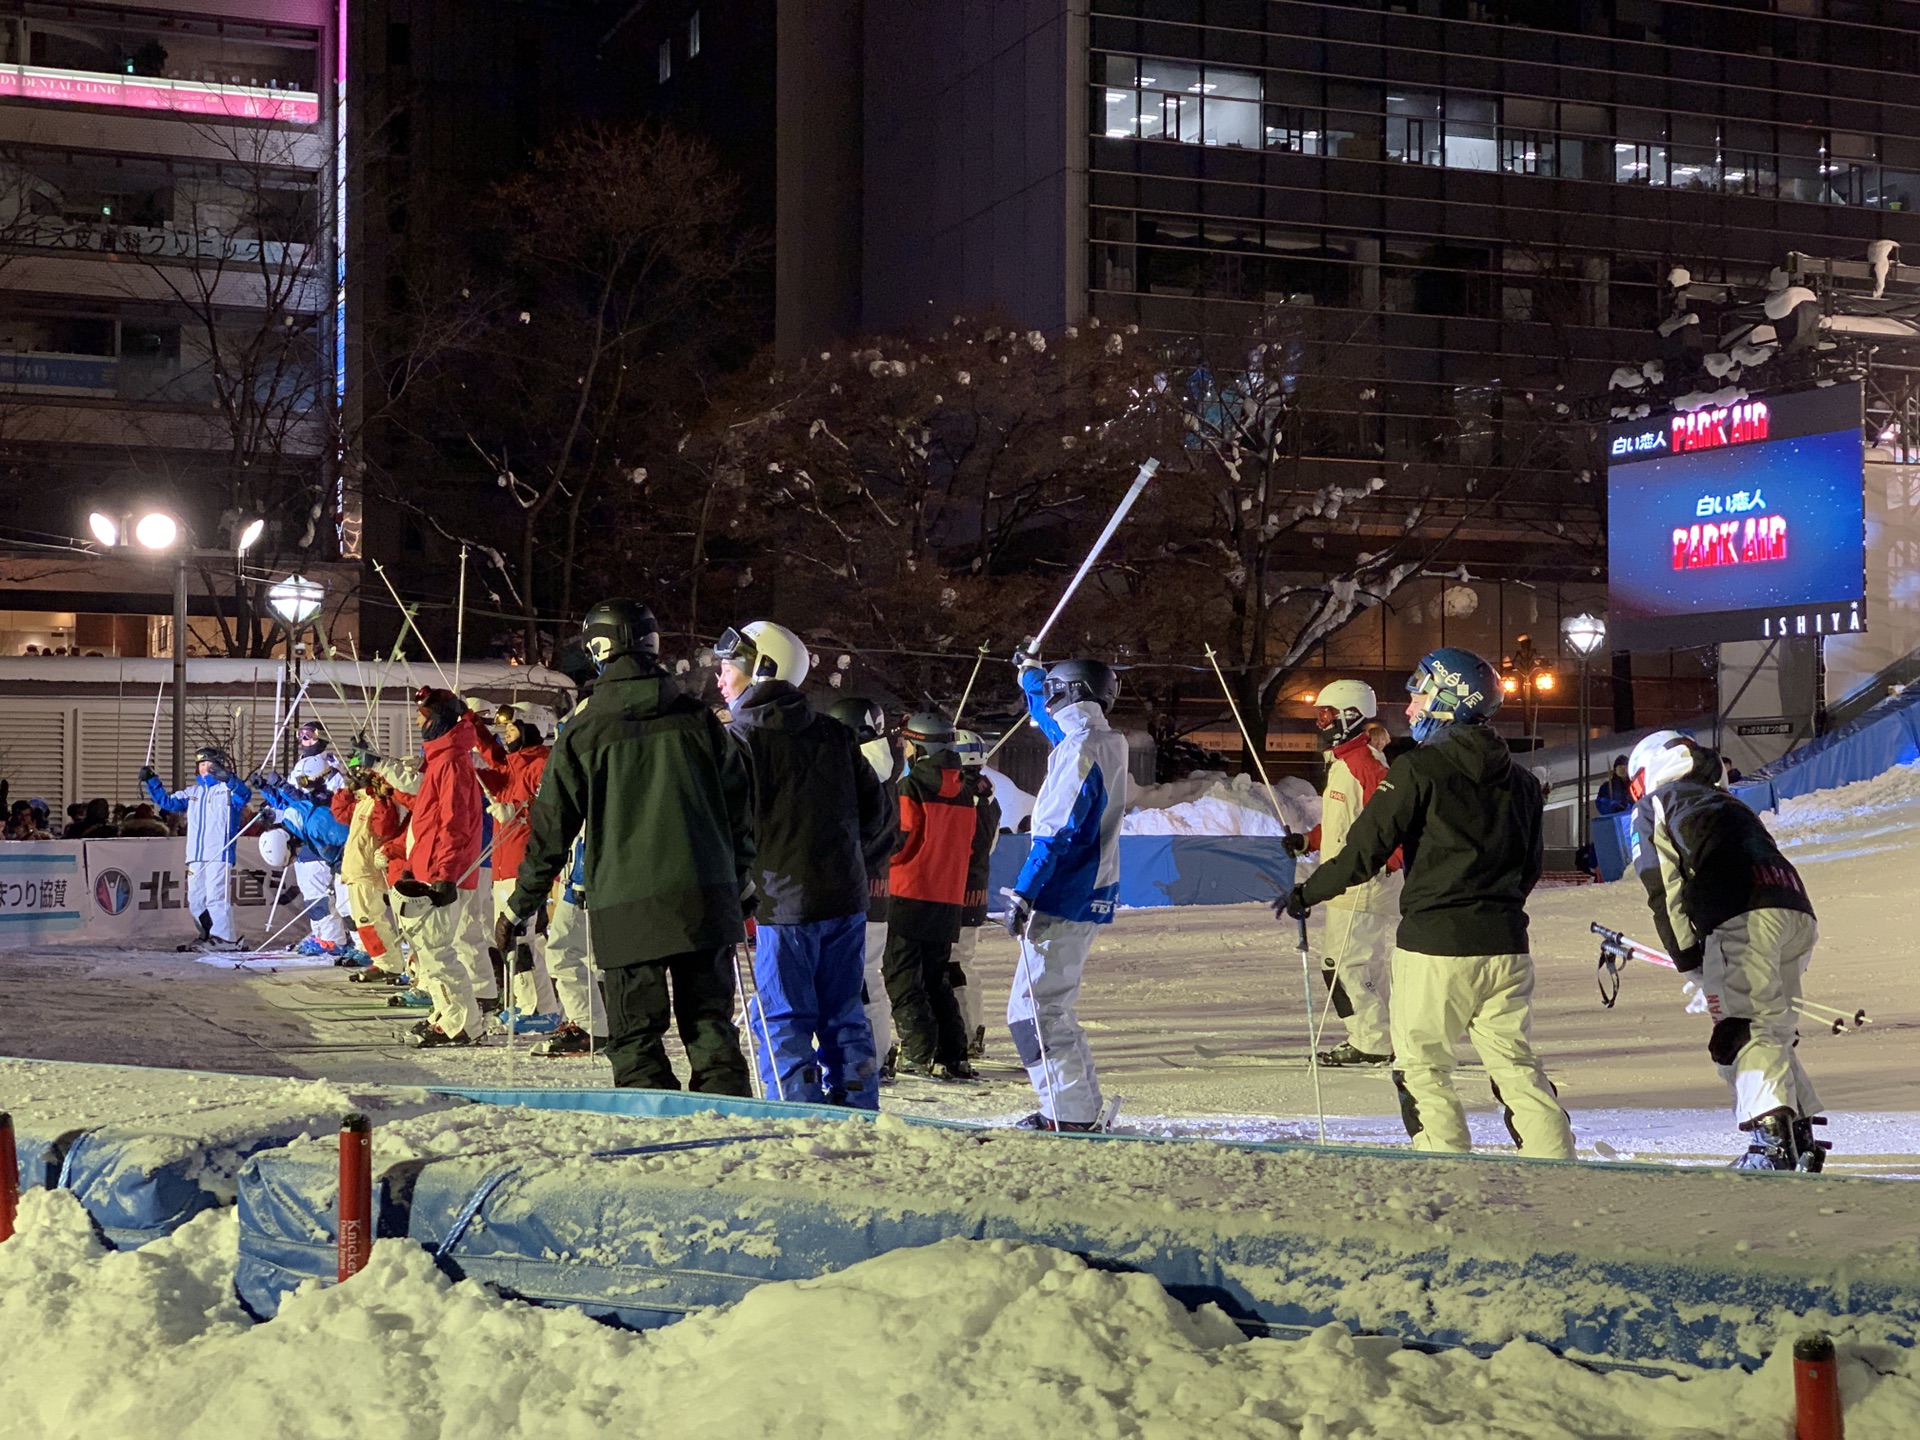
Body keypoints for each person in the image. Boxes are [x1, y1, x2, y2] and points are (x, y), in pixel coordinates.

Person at [1282, 647, 1575, 1161]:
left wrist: (1307, 892)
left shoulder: (1418, 768)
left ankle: (1445, 1167)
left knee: (1421, 1066)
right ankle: (1554, 1160)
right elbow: (1530, 868)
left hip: (1435, 946)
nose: (1410, 707)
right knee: (1514, 1063)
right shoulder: (1524, 781)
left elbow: (1363, 851)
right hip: (1506, 945)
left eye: (1419, 693)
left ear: (1448, 699)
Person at [500, 600, 754, 1091]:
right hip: (704, 895)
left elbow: (550, 829)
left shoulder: (584, 733)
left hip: (625, 904)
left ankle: (654, 1147)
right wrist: (740, 878)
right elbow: (740, 809)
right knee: (712, 1032)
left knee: (636, 1040)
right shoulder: (699, 721)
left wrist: (520, 905)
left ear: (599, 649)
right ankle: (728, 1137)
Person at [1626, 730, 1828, 1171]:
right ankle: (1801, 1135)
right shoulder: (1728, 802)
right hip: (1794, 906)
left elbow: (1664, 888)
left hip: (1742, 911)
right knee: (1772, 1026)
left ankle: (1770, 1144)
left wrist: (1690, 961)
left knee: (1742, 1028)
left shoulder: (1658, 804)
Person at [716, 619, 891, 1108]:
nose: (720, 677)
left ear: (762, 670)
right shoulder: (836, 734)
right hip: (845, 899)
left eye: (729, 666)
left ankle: (798, 1115)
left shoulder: (740, 740)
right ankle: (859, 1103)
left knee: (783, 1016)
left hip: (783, 903)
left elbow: (726, 825)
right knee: (843, 1012)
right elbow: (876, 814)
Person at [1003, 652, 1128, 1133]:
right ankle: (1076, 1108)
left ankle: (1068, 1115)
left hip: (1066, 891)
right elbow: (1055, 726)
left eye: (1055, 691)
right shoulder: (1101, 740)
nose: (1047, 703)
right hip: (1087, 889)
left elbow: (1055, 832)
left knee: (1035, 1013)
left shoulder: (1080, 751)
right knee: (1046, 1007)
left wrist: (1025, 892)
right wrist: (1033, 679)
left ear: (1073, 694)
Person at [1285, 680, 1401, 1067]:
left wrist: (1391, 860)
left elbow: (1389, 820)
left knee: (1345, 965)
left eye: (1326, 715)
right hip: (1344, 881)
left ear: (1351, 715)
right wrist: (1310, 841)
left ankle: (1372, 1040)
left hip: (1363, 883)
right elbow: (1346, 822)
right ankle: (1381, 1035)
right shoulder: (1342, 762)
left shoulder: (1366, 764)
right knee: (1355, 963)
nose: (1320, 724)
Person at [884, 710, 988, 1080]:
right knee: (936, 979)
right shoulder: (964, 793)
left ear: (919, 747)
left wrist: (883, 859)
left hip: (910, 893)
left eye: (908, 744)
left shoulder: (910, 788)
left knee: (902, 978)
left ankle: (919, 1051)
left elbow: (902, 841)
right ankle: (953, 1054)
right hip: (947, 900)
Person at [390, 688, 489, 1047]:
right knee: (429, 951)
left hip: (445, 872)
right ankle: (447, 1013)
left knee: (438, 950)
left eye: (424, 715)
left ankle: (462, 1022)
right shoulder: (440, 760)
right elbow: (426, 819)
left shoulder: (451, 762)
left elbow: (454, 822)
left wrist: (444, 874)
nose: (418, 722)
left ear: (441, 719)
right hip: (430, 868)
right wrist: (409, 860)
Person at [826, 696, 901, 1077]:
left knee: (863, 979)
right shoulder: (882, 765)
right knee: (866, 976)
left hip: (862, 888)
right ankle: (877, 1050)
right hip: (874, 887)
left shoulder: (866, 768)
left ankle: (876, 1052)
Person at [477, 703, 562, 1029]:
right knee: (514, 938)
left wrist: (516, 812)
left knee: (520, 937)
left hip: (522, 864)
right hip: (503, 864)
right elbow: (489, 754)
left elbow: (548, 811)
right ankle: (535, 1004)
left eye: (512, 730)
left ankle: (537, 1009)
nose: (506, 735)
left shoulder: (540, 764)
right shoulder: (513, 765)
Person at [142, 748, 252, 951]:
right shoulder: (192, 793)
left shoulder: (228, 791)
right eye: (201, 765)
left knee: (216, 897)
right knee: (195, 899)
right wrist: (151, 780)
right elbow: (167, 802)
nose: (204, 769)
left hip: (219, 852)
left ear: (219, 766)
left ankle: (225, 938)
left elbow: (244, 796)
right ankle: (206, 935)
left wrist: (229, 779)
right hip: (195, 854)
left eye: (209, 765)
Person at [950, 727, 1002, 1059]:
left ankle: (967, 1032)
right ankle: (967, 1031)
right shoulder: (987, 795)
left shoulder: (966, 796)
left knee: (956, 964)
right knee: (958, 963)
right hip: (972, 890)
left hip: (958, 890)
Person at [330, 754, 405, 974]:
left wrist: (380, 798)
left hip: (368, 870)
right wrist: (347, 791)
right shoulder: (360, 802)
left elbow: (385, 829)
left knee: (369, 918)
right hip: (356, 869)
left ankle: (388, 962)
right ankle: (384, 960)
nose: (358, 776)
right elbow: (339, 813)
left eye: (361, 771)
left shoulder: (380, 802)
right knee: (364, 919)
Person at [287, 720, 349, 954]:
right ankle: (322, 933)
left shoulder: (330, 766)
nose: (304, 741)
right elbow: (294, 801)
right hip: (305, 835)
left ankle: (333, 938)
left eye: (309, 736)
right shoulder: (299, 767)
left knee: (322, 892)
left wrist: (316, 798)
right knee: (311, 892)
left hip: (322, 837)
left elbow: (337, 801)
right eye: (301, 736)